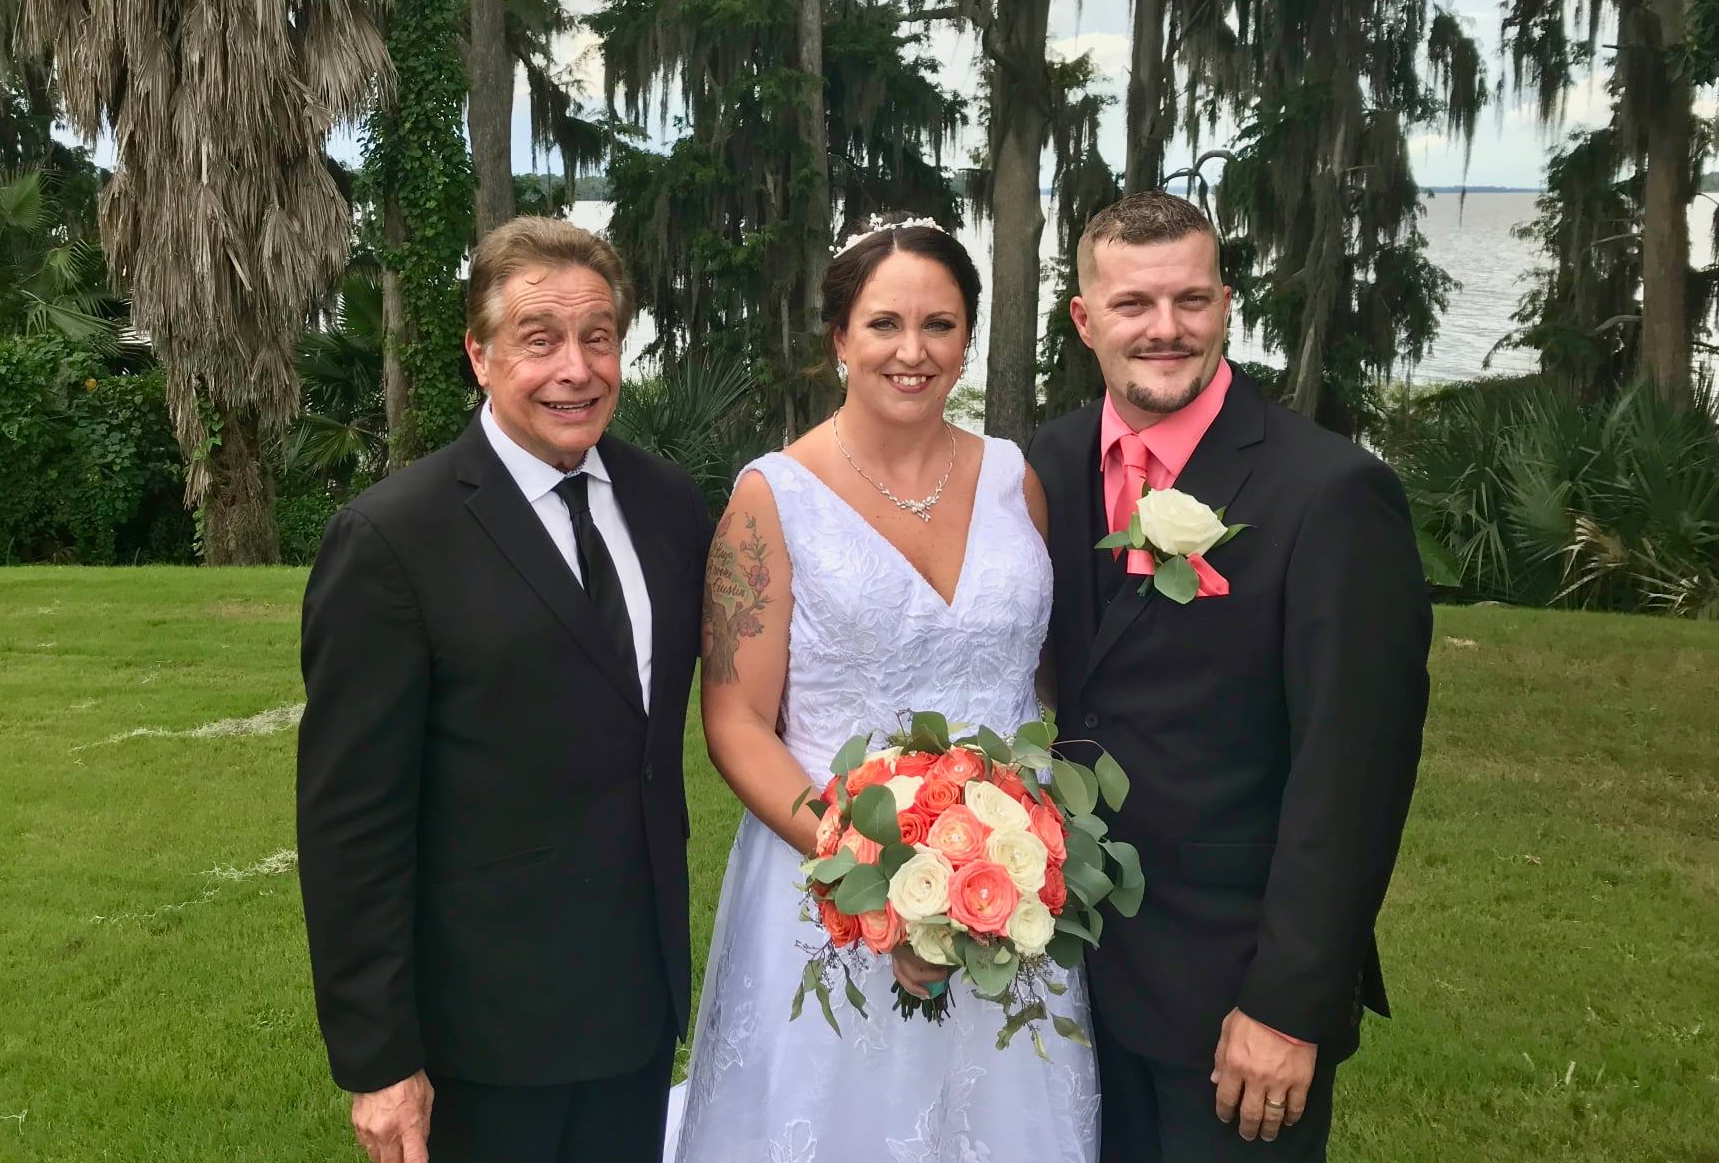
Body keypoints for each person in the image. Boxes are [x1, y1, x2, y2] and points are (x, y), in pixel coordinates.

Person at [668, 217, 1100, 1163]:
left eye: (940, 326)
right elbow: (736, 722)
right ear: (838, 338)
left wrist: (1021, 843)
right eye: (884, 324)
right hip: (826, 888)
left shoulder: (1013, 481)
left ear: (967, 340)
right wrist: (864, 869)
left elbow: (1038, 683)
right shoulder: (770, 497)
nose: (913, 352)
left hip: (1009, 889)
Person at [296, 217, 712, 1163]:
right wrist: (379, 1059)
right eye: (540, 340)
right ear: (479, 356)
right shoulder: (393, 541)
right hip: (478, 1040)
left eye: (598, 337)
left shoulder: (667, 505)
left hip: (637, 1010)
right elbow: (351, 822)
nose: (577, 367)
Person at [1025, 192, 1430, 1160]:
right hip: (1072, 988)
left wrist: (1289, 1005)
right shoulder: (1044, 465)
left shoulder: (1330, 494)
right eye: (1133, 305)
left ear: (1227, 306)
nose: (1166, 329)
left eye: (1192, 301)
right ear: (1085, 321)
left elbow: (1353, 773)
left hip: (1233, 1000)